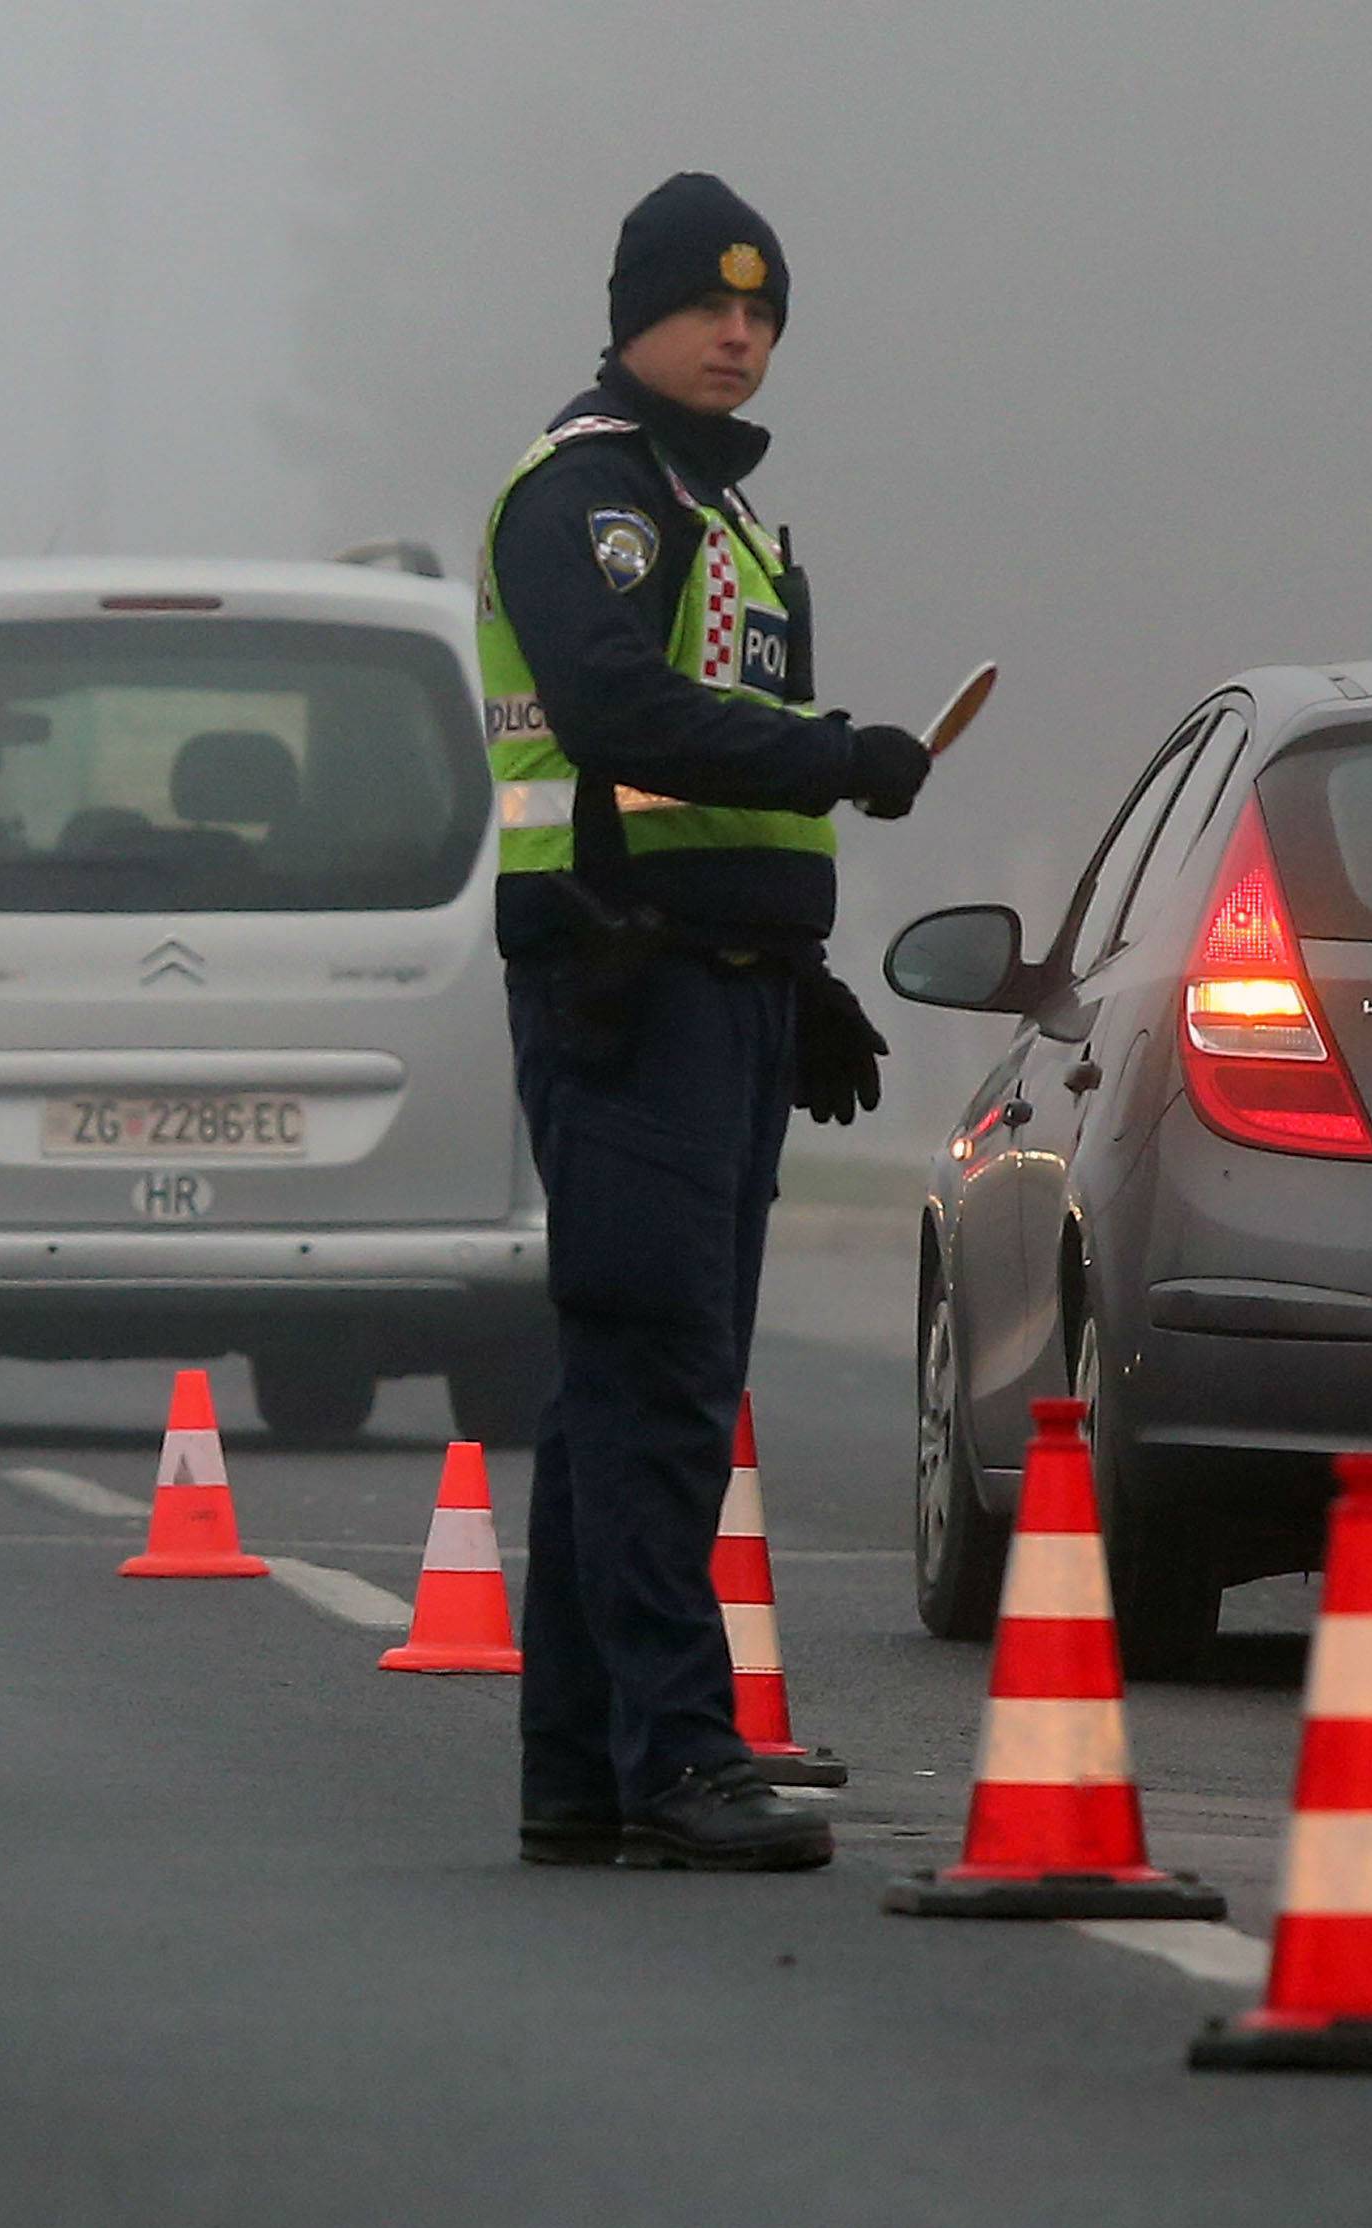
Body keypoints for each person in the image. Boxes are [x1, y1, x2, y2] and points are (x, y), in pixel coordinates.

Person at [479, 171, 932, 1874]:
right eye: (707, 305)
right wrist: (832, 751)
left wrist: (791, 962)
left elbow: (704, 771)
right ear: (632, 316)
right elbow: (610, 706)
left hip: (713, 985)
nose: (739, 332)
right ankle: (678, 1752)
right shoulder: (590, 492)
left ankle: (583, 1769)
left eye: (763, 312)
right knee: (658, 1370)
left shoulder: (720, 513)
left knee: (633, 1379)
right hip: (622, 984)